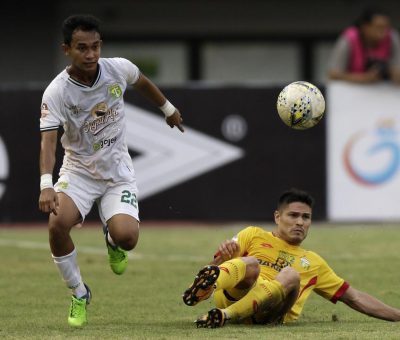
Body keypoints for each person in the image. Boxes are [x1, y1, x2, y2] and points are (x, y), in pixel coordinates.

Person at [38, 14, 184, 327]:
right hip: (78, 173)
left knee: (128, 237)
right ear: (67, 50)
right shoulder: (57, 92)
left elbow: (143, 82)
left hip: (118, 173)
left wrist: (168, 110)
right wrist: (46, 184)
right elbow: (48, 143)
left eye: (95, 46)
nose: (90, 54)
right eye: (82, 48)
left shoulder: (118, 68)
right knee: (56, 225)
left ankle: (113, 239)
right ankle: (79, 293)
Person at [182, 188, 400, 328]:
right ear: (277, 217)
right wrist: (219, 261)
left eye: (306, 217)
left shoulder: (313, 262)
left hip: (269, 312)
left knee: (290, 275)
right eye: (293, 215)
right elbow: (210, 269)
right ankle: (204, 293)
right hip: (234, 295)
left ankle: (225, 316)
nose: (300, 222)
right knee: (250, 264)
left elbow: (354, 297)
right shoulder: (252, 235)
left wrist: (398, 315)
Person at [328, 7, 400, 84]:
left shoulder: (392, 37)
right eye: (379, 27)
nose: (383, 32)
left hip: (384, 91)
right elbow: (332, 74)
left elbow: (397, 67)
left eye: (386, 27)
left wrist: (393, 73)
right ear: (365, 26)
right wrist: (364, 78)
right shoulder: (349, 39)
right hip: (351, 91)